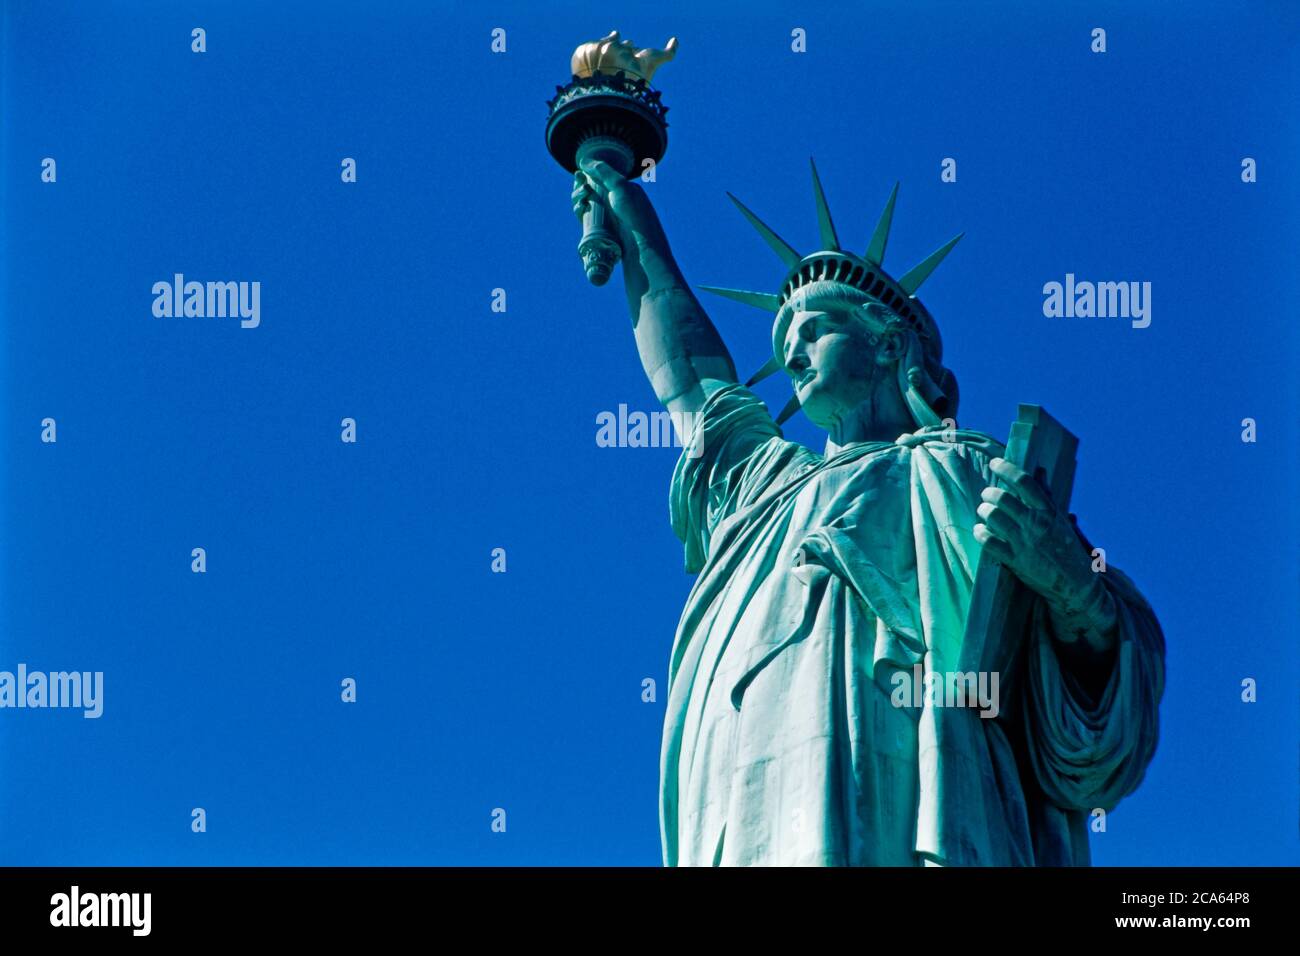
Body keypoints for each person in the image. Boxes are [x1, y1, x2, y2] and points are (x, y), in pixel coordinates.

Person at [571, 158, 1165, 866]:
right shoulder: (766, 486)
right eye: (784, 335)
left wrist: (1070, 584)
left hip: (920, 792)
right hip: (753, 807)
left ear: (888, 344)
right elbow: (693, 383)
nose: (791, 348)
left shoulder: (970, 476)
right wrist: (630, 209)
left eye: (814, 327)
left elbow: (1107, 704)